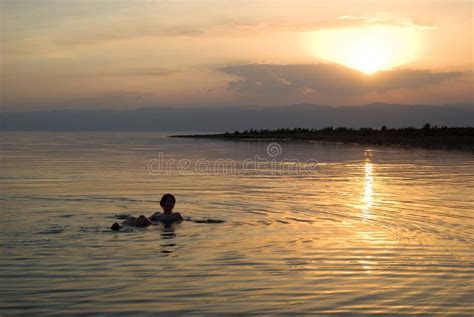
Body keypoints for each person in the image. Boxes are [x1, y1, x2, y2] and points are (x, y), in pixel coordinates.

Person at [111, 193, 183, 231]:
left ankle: (123, 229)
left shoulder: (176, 215)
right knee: (132, 218)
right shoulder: (157, 214)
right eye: (168, 202)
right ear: (162, 203)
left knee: (142, 217)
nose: (170, 204)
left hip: (155, 227)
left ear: (174, 204)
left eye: (172, 202)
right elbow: (148, 218)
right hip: (152, 224)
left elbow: (183, 221)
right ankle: (120, 227)